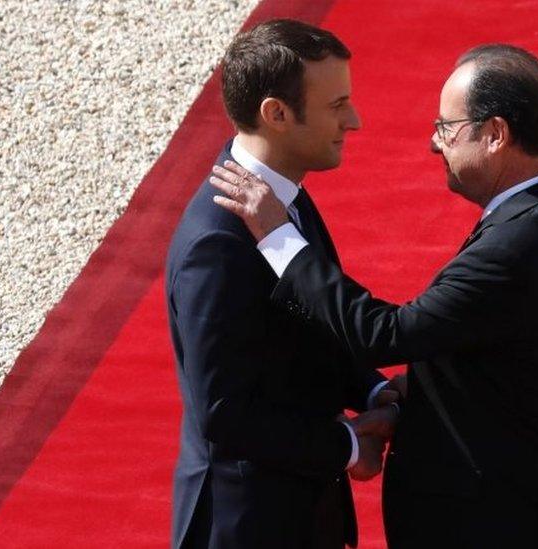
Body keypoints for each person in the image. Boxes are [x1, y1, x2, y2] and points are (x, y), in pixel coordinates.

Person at [210, 44, 538, 548]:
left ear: (495, 135)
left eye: (447, 129)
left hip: (519, 525)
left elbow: (385, 334)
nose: (435, 145)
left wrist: (279, 237)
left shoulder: (520, 242)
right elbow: (504, 361)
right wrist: (407, 397)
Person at [165, 19, 398, 549]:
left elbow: (307, 331)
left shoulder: (281, 199)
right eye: (337, 105)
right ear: (277, 114)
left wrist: (375, 389)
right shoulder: (218, 242)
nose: (355, 120)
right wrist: (343, 445)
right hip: (245, 526)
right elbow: (223, 412)